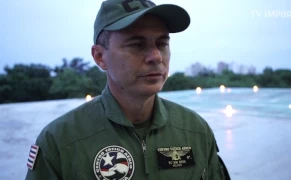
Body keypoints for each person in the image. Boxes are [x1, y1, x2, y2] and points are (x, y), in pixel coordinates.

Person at [25, 0, 230, 179]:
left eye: (162, 43)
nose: (156, 56)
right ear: (100, 57)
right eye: (136, 45)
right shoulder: (61, 141)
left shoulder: (195, 130)